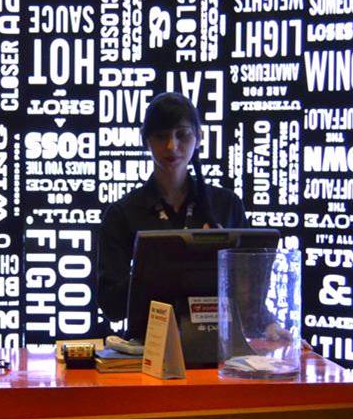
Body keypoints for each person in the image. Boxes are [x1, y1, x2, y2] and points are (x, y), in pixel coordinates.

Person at [96, 92, 246, 327]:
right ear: (145, 140)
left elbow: (248, 293)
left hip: (216, 338)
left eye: (182, 135)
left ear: (199, 137)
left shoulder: (226, 205)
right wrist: (151, 269)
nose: (171, 146)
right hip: (146, 342)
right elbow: (111, 306)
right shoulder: (123, 214)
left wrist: (269, 325)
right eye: (161, 136)